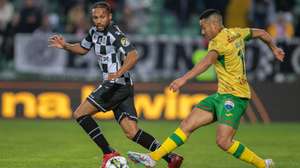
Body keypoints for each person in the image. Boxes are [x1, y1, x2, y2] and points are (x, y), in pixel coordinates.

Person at [128, 9, 285, 168]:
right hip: (221, 96)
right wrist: (274, 48)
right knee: (187, 125)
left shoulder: (218, 42)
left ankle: (262, 165)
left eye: (204, 27)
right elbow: (262, 33)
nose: (202, 32)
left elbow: (206, 62)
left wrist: (183, 79)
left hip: (235, 97)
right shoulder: (237, 33)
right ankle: (153, 158)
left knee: (223, 142)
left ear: (215, 24)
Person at [48, 2, 183, 168]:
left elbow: (133, 55)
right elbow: (83, 49)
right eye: (95, 17)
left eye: (102, 17)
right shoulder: (93, 33)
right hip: (122, 86)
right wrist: (65, 46)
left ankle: (108, 152)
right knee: (132, 132)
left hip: (116, 84)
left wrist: (119, 72)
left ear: (110, 17)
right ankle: (170, 158)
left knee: (80, 114)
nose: (98, 20)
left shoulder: (114, 32)